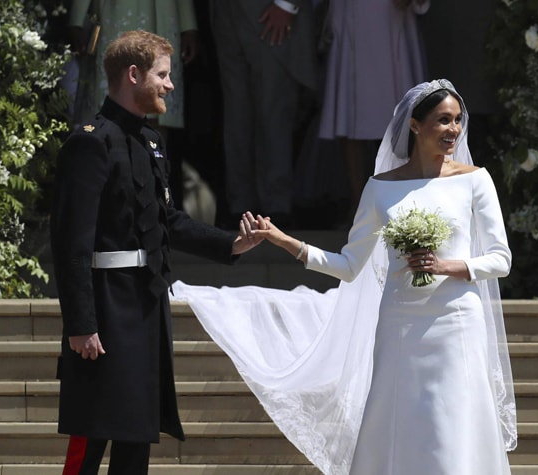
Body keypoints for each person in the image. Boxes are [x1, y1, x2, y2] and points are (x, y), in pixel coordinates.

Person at [173, 79, 517, 474]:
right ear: (415, 125)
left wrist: (448, 266)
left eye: (457, 120)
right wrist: (286, 241)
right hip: (400, 323)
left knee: (454, 423)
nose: (453, 130)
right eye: (442, 121)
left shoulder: (475, 179)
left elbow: (500, 258)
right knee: (400, 420)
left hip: (456, 320)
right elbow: (350, 265)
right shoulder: (380, 188)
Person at [50, 30, 263, 475]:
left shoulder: (150, 141)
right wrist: (81, 324)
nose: (169, 85)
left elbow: (166, 220)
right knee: (90, 440)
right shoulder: (91, 141)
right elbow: (72, 243)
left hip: (145, 307)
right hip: (106, 311)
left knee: (136, 437)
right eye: (162, 75)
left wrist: (230, 243)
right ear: (133, 75)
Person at [68, 0, 198, 208]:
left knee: (156, 116)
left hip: (162, 15)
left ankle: (154, 206)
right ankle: (109, 204)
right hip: (116, 16)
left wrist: (188, 25)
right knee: (111, 111)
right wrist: (77, 19)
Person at [209, 0, 317, 227]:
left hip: (271, 11)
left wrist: (287, 4)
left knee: (274, 111)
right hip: (225, 13)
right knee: (236, 114)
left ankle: (276, 206)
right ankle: (240, 206)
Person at [318, 0, 429, 220]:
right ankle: (359, 204)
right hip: (352, 17)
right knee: (349, 116)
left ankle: (402, 201)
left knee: (404, 118)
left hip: (393, 16)